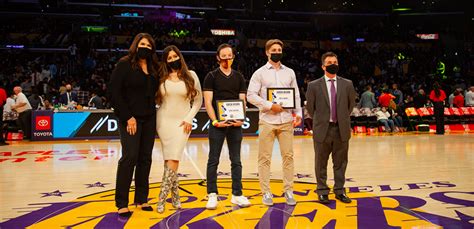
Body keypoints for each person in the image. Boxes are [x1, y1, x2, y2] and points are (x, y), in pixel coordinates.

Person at [108, 33, 159, 217]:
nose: (145, 47)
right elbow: (114, 91)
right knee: (129, 157)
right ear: (136, 45)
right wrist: (128, 116)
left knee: (145, 158)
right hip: (130, 118)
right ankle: (122, 202)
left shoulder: (154, 68)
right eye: (142, 43)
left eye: (148, 44)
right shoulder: (124, 64)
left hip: (149, 118)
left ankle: (141, 198)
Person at [247, 39, 302, 206]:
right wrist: (270, 105)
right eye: (274, 50)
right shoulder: (259, 73)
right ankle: (266, 192)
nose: (277, 52)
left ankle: (289, 190)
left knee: (288, 157)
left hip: (286, 120)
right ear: (267, 52)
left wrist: (298, 112)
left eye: (279, 49)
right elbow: (251, 95)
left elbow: (296, 94)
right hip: (267, 120)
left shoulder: (290, 72)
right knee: (264, 158)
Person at [155, 45, 202, 213]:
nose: (173, 59)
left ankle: (161, 198)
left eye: (175, 56)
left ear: (179, 57)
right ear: (165, 61)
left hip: (183, 122)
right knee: (169, 159)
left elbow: (197, 101)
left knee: (174, 158)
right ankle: (175, 197)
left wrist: (189, 118)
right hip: (163, 121)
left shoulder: (191, 76)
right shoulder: (161, 77)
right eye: (169, 58)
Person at [203, 44, 251, 210]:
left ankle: (237, 194)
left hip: (235, 125)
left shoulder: (239, 77)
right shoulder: (211, 76)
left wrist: (241, 118)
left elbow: (243, 100)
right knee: (213, 160)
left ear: (233, 57)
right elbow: (207, 102)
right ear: (218, 57)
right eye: (223, 56)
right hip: (217, 125)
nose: (226, 59)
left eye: (229, 56)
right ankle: (212, 194)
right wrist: (215, 121)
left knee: (236, 160)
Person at [305, 51, 356, 204]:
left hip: (341, 128)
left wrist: (340, 118)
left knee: (340, 163)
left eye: (335, 62)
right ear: (323, 66)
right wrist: (322, 120)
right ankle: (322, 191)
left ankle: (339, 191)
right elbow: (310, 108)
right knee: (321, 163)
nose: (333, 64)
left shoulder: (348, 84)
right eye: (329, 63)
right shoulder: (313, 85)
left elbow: (350, 106)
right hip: (323, 129)